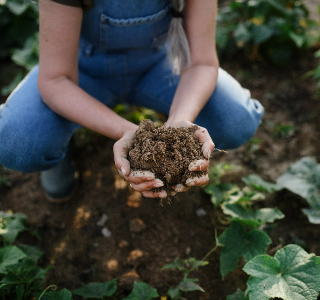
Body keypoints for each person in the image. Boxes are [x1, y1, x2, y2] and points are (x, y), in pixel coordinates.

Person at [0, 0, 264, 202]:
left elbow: (201, 63)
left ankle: (169, 116)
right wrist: (130, 132)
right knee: (19, 143)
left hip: (160, 65)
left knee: (235, 120)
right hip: (81, 72)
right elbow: (55, 79)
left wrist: (180, 122)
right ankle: (58, 149)